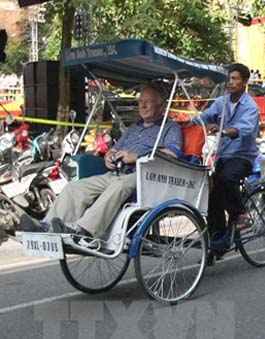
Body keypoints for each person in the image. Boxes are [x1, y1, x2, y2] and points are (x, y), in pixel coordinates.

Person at [25, 84, 183, 239]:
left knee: (119, 185)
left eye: (148, 101)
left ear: (161, 106)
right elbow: (114, 149)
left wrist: (136, 156)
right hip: (117, 173)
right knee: (75, 187)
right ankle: (48, 225)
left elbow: (173, 154)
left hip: (146, 176)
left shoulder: (170, 128)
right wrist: (110, 156)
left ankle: (82, 228)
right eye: (141, 101)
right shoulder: (134, 128)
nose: (142, 105)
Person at [194, 63, 259, 257]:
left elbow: (243, 129)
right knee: (211, 193)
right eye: (229, 78)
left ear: (245, 82)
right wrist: (188, 124)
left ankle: (240, 213)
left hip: (242, 157)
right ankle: (218, 239)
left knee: (226, 179)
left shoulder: (250, 106)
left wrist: (222, 130)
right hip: (223, 156)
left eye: (235, 79)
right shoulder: (221, 102)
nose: (230, 82)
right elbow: (204, 117)